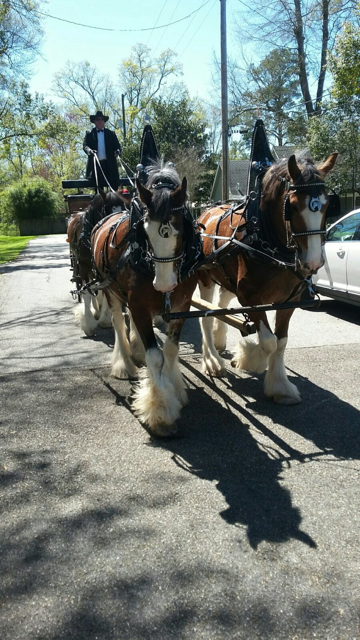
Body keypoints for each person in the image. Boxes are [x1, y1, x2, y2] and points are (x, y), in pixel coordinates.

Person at [83, 110, 122, 191]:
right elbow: (85, 146)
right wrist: (90, 151)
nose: (100, 121)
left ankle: (113, 203)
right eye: (97, 119)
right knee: (99, 192)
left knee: (114, 190)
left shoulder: (111, 134)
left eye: (101, 119)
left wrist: (117, 151)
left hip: (110, 166)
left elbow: (118, 147)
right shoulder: (90, 134)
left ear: (104, 121)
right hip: (96, 167)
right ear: (94, 121)